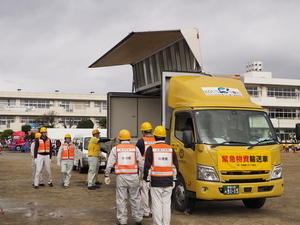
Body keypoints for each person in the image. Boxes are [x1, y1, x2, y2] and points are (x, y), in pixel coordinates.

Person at [104, 129, 143, 225]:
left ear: (119, 138)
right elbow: (141, 163)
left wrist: (106, 174)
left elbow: (110, 164)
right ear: (129, 138)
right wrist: (142, 175)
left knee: (121, 199)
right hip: (134, 176)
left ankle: (122, 221)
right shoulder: (135, 148)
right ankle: (138, 219)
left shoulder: (116, 149)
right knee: (136, 198)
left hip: (121, 177)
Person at [143, 126, 178, 225]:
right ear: (165, 137)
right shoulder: (170, 149)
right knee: (166, 204)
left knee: (157, 204)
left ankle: (158, 224)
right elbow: (175, 166)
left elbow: (147, 166)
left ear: (154, 137)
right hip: (168, 181)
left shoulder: (151, 149)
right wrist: (174, 180)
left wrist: (147, 180)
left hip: (156, 181)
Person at [136, 122, 156, 218]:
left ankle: (146, 211)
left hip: (144, 168)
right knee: (154, 190)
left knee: (144, 191)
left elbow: (137, 156)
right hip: (155, 168)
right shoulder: (156, 140)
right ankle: (153, 210)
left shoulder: (141, 141)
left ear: (143, 132)